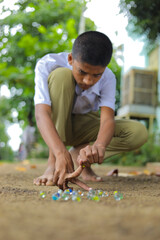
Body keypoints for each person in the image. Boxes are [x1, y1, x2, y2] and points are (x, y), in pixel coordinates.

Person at [33, 31, 148, 190]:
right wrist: (60, 153)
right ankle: (53, 163)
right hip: (55, 126)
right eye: (82, 72)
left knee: (138, 132)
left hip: (84, 127)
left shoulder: (108, 77)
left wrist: (99, 146)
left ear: (104, 68)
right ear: (70, 59)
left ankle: (79, 156)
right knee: (61, 76)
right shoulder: (47, 64)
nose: (88, 80)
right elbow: (41, 114)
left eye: (96, 75)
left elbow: (107, 119)